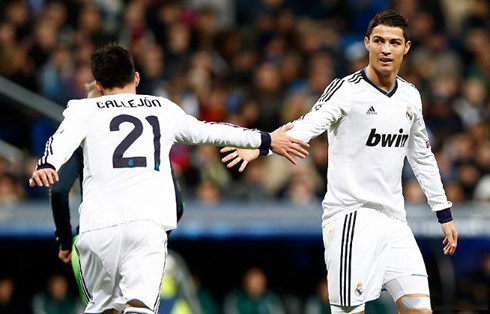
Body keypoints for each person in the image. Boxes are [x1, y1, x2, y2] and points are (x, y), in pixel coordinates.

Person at [29, 44, 309, 314]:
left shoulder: (83, 109)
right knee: (139, 307)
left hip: (96, 228)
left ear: (98, 87)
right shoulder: (162, 108)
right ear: (136, 77)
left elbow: (61, 140)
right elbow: (210, 131)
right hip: (145, 225)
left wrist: (47, 164)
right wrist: (265, 139)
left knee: (101, 309)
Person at [221, 9, 458, 314]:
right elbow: (310, 122)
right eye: (379, 41)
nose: (386, 49)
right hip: (351, 218)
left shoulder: (411, 96)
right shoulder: (347, 90)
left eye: (394, 42)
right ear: (366, 43)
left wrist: (443, 211)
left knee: (420, 309)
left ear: (406, 47)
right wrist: (263, 145)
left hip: (395, 221)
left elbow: (422, 156)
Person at [50, 81, 187, 307]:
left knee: (103, 308)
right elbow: (177, 205)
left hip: (95, 235)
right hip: (141, 233)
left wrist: (64, 241)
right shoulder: (150, 139)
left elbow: (58, 190)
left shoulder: (83, 137)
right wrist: (155, 235)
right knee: (137, 307)